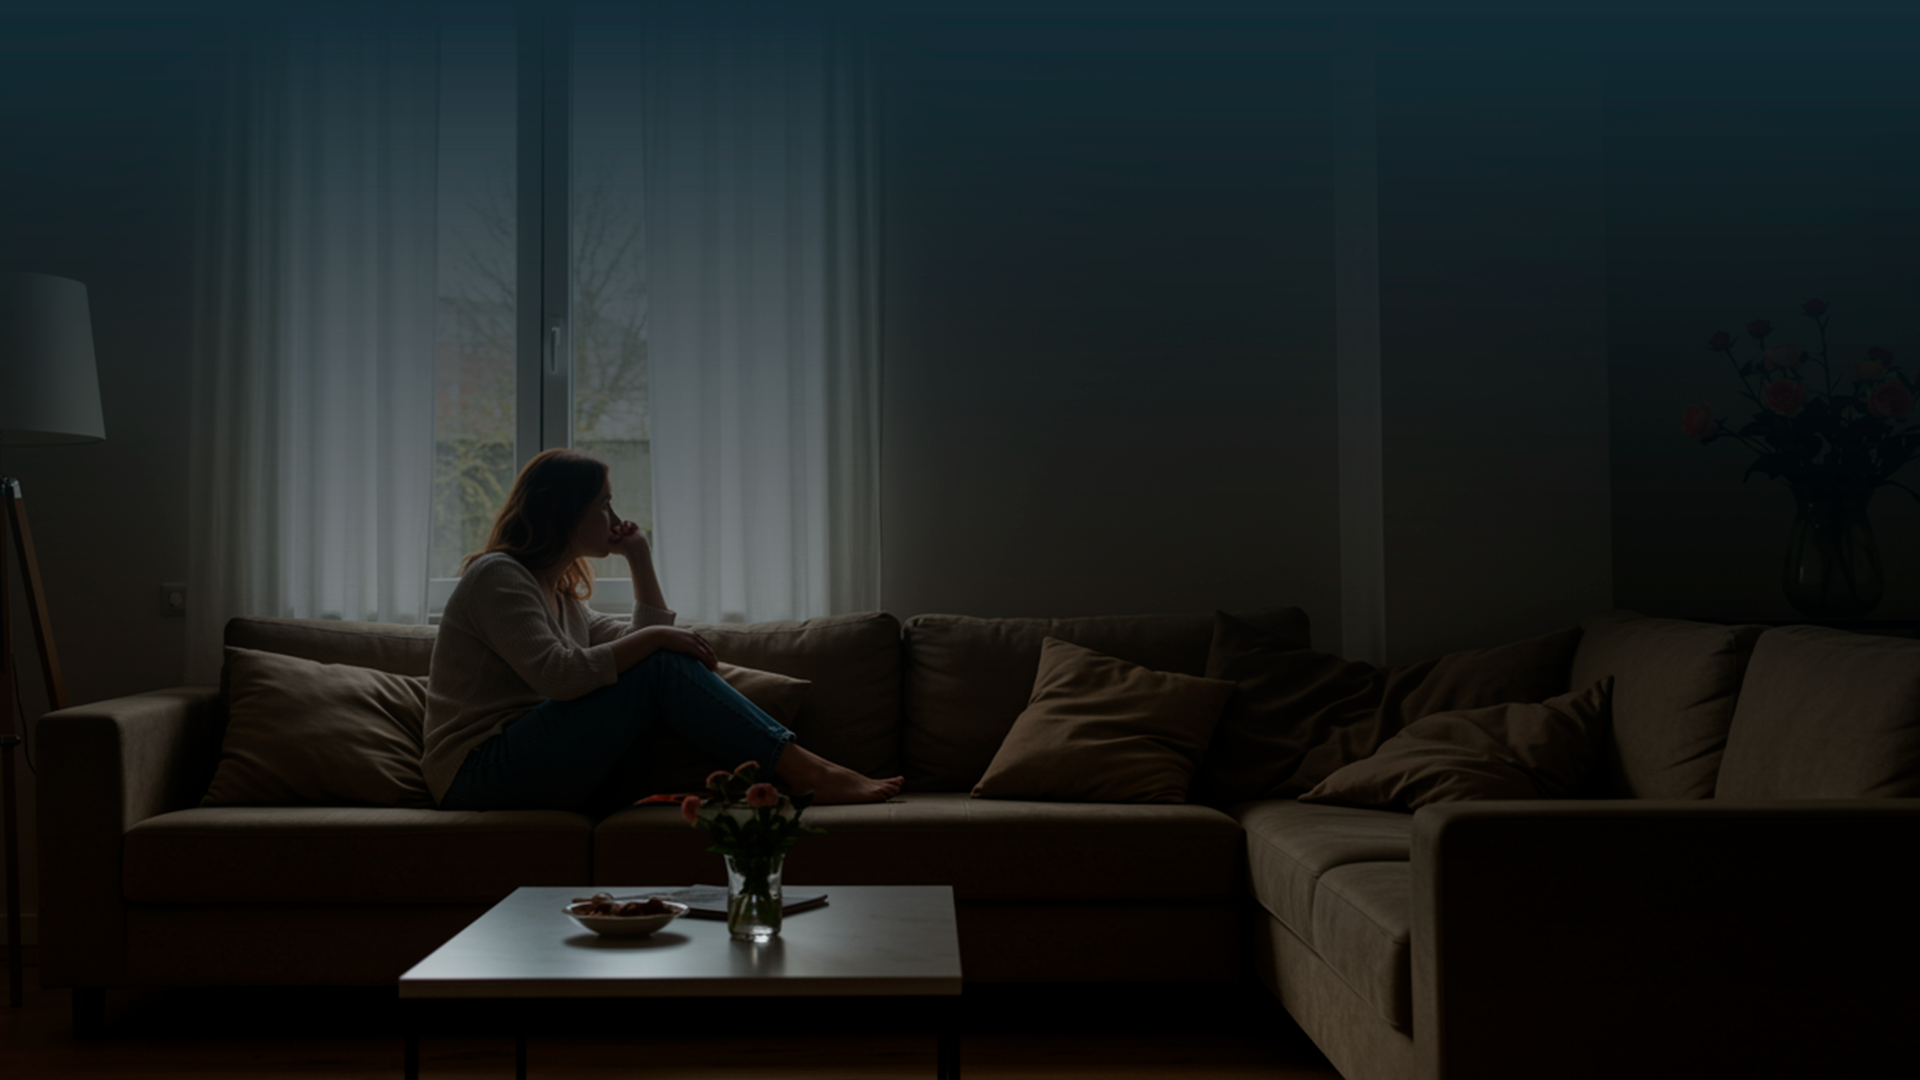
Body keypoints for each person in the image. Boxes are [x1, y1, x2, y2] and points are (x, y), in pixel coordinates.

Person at [422, 448, 902, 814]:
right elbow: (561, 677)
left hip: (524, 760)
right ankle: (805, 770)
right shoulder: (498, 575)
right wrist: (656, 640)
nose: (613, 519)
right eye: (603, 506)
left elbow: (643, 645)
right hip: (477, 773)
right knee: (658, 658)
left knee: (658, 660)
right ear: (565, 512)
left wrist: (639, 557)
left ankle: (798, 770)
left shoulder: (557, 594)